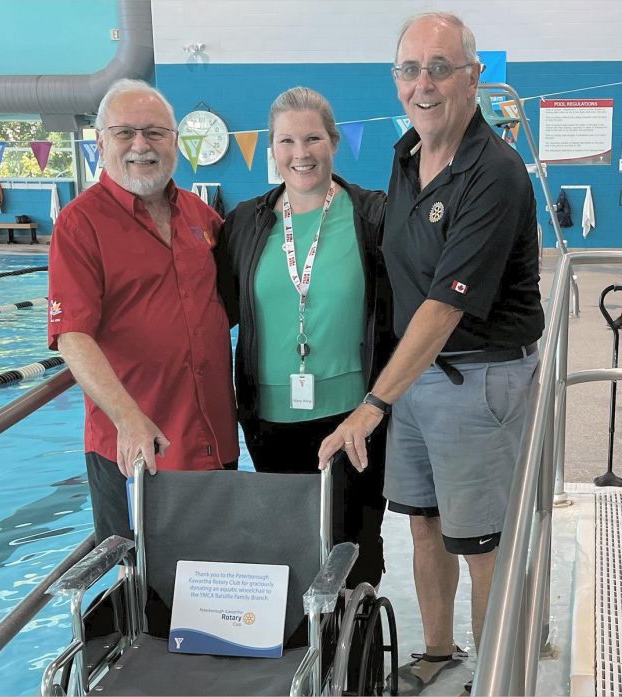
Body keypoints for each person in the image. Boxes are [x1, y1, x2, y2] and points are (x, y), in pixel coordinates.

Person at [318, 12, 544, 692]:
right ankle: (440, 651)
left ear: (474, 77)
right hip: (417, 378)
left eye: (440, 68)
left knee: (482, 545)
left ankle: (501, 670)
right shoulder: (406, 153)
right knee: (424, 526)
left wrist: (371, 404)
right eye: (410, 69)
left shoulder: (495, 172)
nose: (424, 83)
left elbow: (445, 305)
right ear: (395, 81)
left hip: (477, 379)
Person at [216, 86, 394, 588]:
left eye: (313, 138)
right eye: (286, 141)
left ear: (334, 142)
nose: (301, 153)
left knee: (357, 547)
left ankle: (356, 657)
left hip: (354, 415)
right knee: (287, 549)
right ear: (271, 148)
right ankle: (302, 659)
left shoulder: (371, 215)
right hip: (270, 419)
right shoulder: (246, 222)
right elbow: (215, 308)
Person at [48, 78, 238, 544]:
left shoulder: (199, 216)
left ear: (174, 142)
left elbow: (229, 303)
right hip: (137, 448)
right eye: (124, 133)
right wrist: (128, 418)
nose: (141, 146)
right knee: (142, 596)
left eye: (155, 133)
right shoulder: (80, 224)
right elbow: (73, 336)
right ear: (99, 142)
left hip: (212, 439)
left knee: (211, 585)